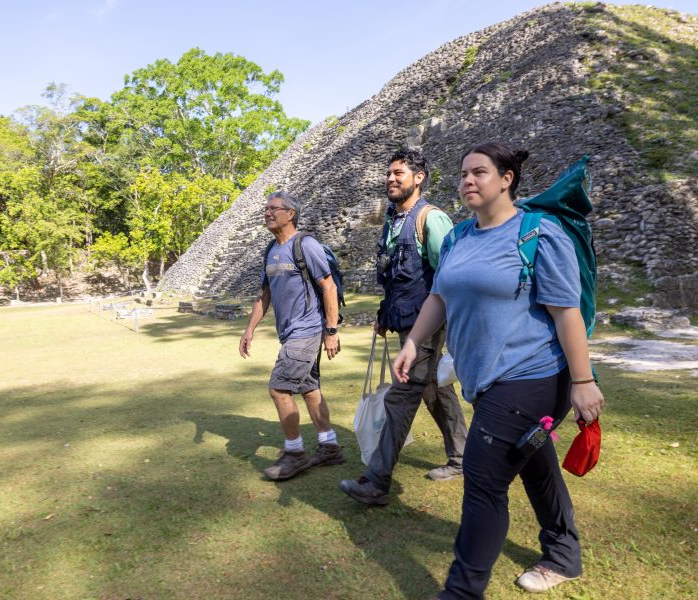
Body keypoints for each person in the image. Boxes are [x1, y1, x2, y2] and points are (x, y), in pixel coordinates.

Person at [393, 142, 605, 597]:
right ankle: (564, 554)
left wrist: (584, 381)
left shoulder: (538, 234)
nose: (468, 180)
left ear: (506, 179)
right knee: (535, 463)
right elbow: (439, 297)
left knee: (484, 481)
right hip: (485, 380)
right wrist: (413, 341)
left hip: (534, 376)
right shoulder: (458, 237)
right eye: (464, 173)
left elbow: (566, 312)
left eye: (480, 172)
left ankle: (461, 591)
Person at [339, 149, 468, 506]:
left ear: (419, 177)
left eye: (399, 173)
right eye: (388, 174)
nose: (391, 179)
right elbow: (394, 277)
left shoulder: (431, 218)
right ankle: (463, 457)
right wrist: (385, 313)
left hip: (426, 324)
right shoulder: (393, 221)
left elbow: (450, 276)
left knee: (402, 394)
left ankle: (377, 481)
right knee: (434, 391)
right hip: (403, 323)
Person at [239, 191, 345, 481]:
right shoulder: (271, 250)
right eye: (266, 208)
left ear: (291, 213)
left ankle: (295, 453)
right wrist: (249, 330)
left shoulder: (306, 245)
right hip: (289, 333)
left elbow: (329, 287)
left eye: (274, 208)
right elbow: (265, 295)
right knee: (309, 390)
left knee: (279, 389)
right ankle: (329, 446)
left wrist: (331, 330)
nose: (268, 213)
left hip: (307, 330)